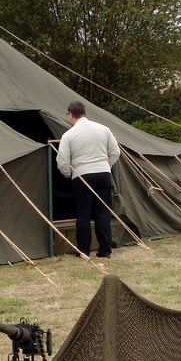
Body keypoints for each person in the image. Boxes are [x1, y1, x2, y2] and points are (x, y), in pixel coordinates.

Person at [55, 101, 121, 258]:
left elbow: (62, 162)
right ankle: (105, 250)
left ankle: (84, 251)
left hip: (82, 176)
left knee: (83, 214)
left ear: (71, 114)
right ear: (84, 112)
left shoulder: (69, 135)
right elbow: (115, 152)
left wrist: (69, 175)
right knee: (102, 212)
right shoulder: (104, 129)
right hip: (104, 174)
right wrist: (105, 165)